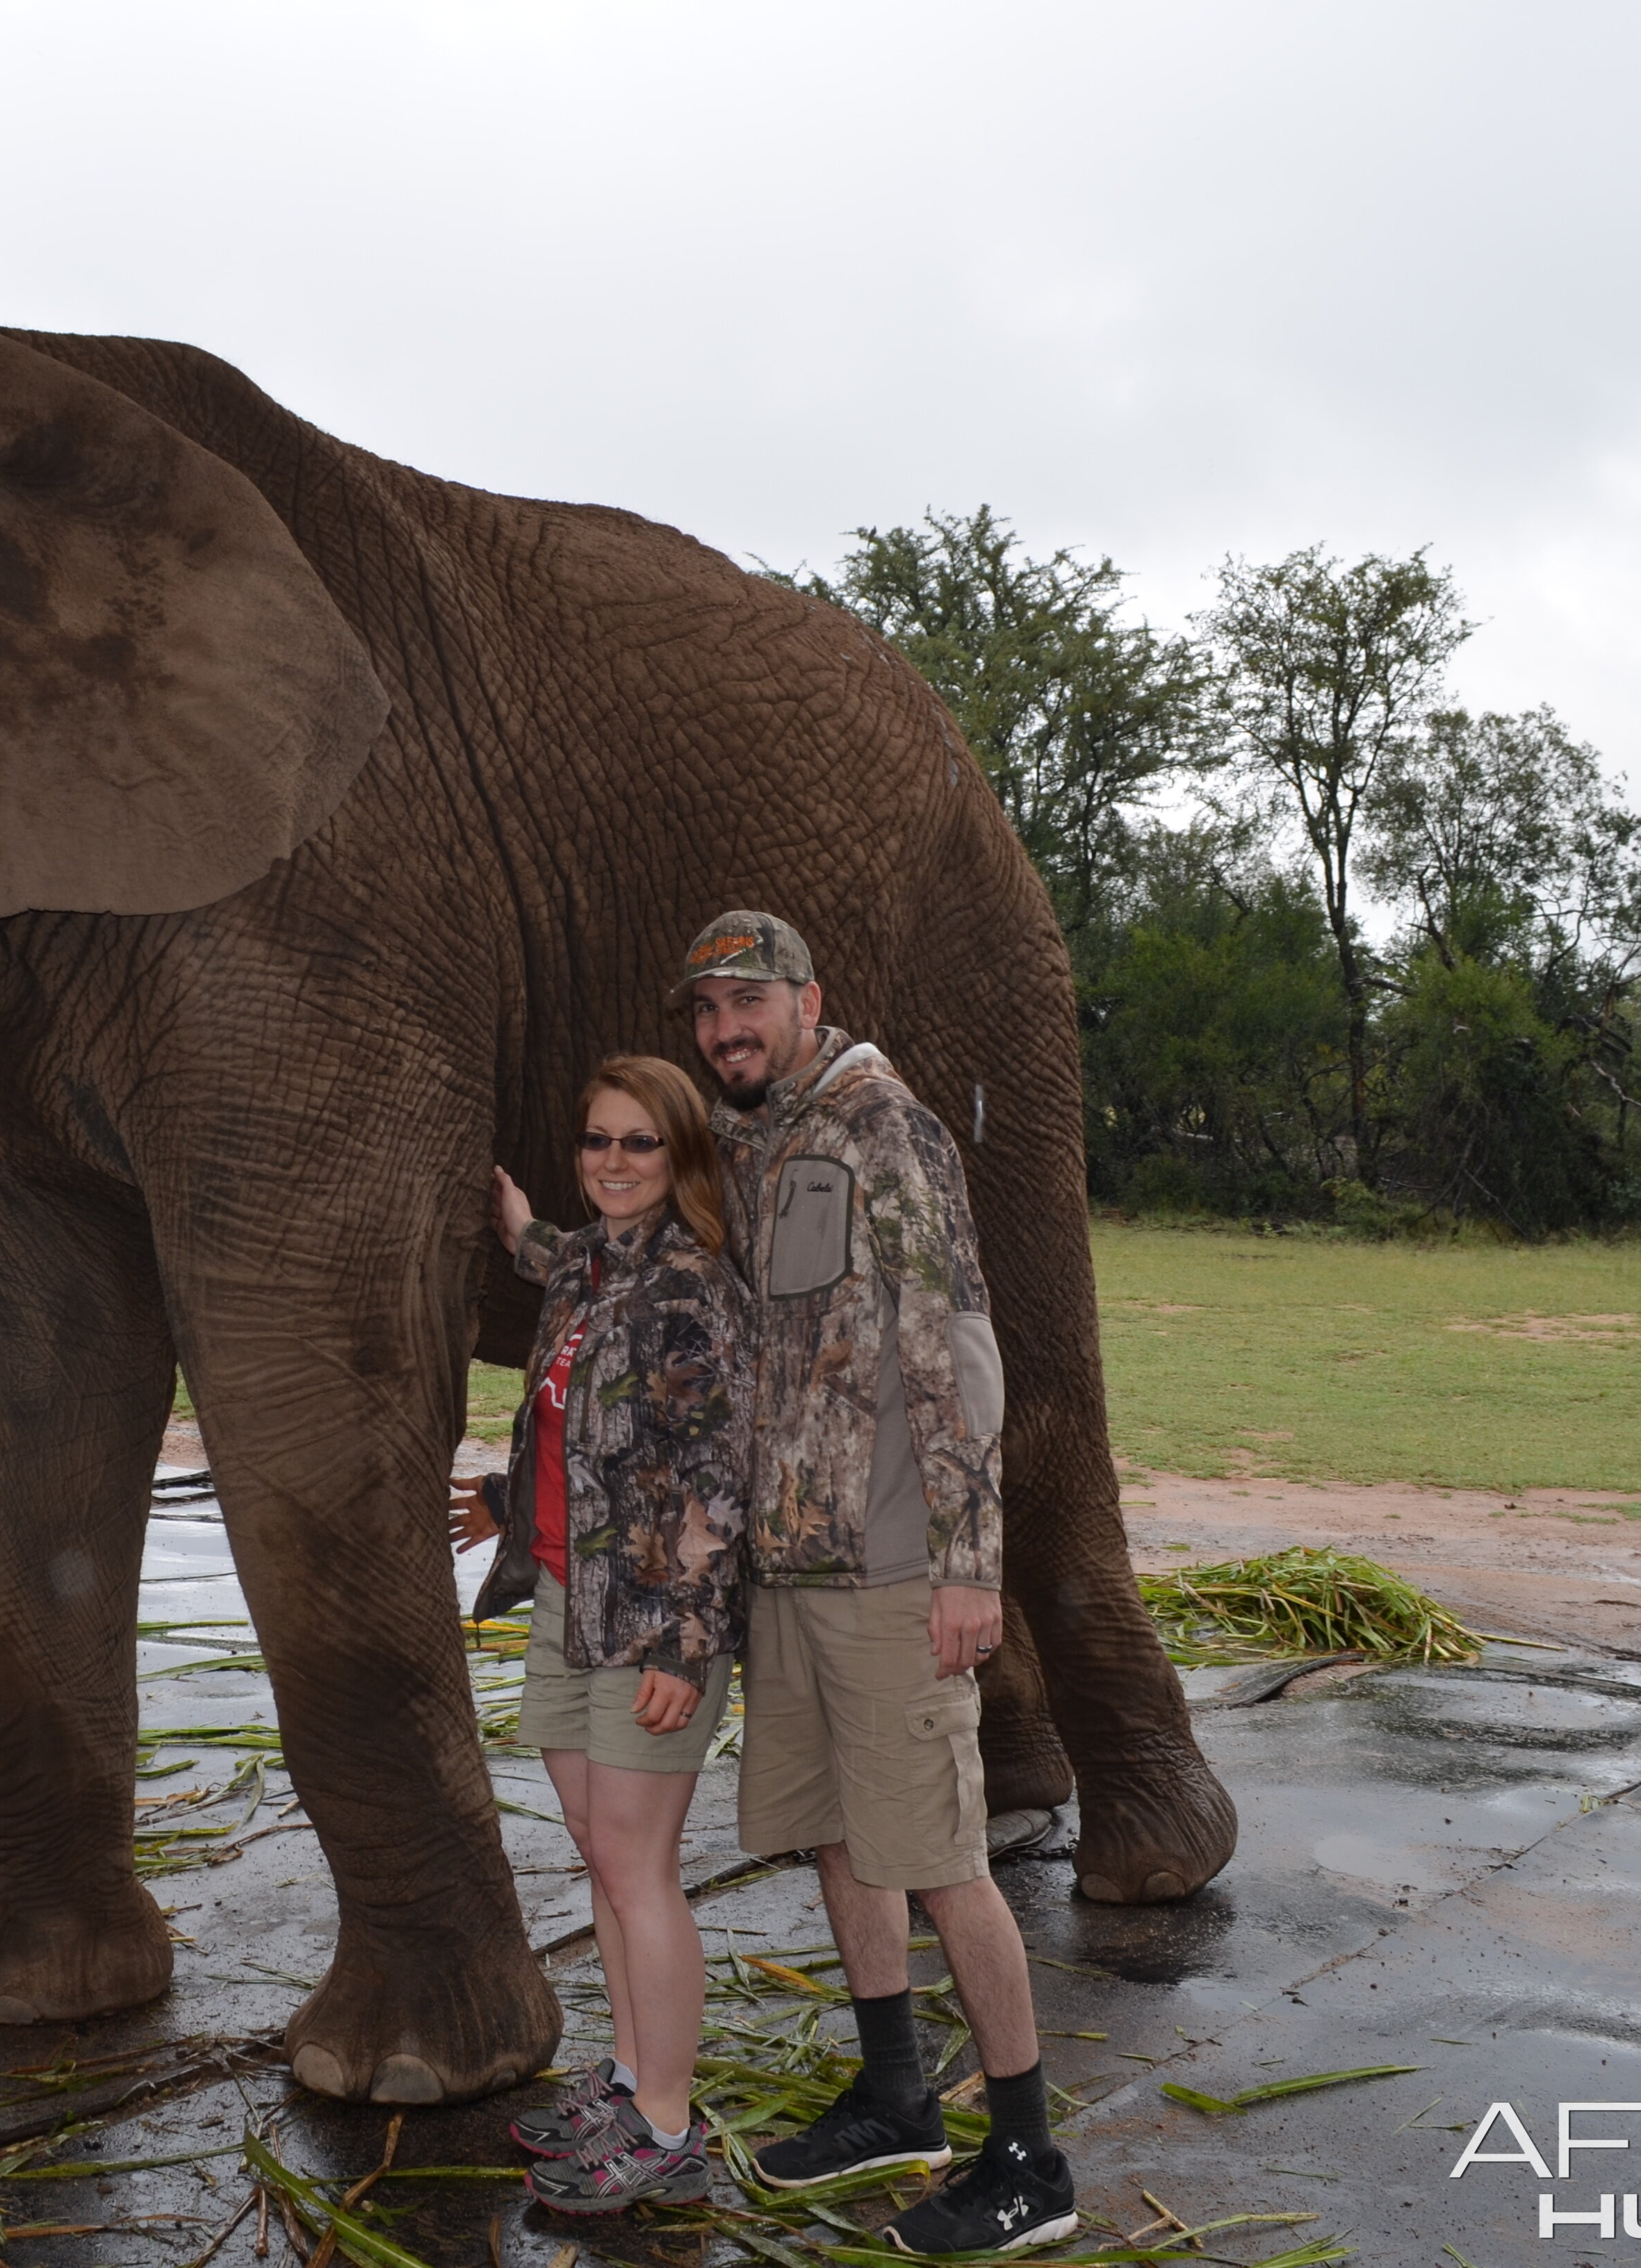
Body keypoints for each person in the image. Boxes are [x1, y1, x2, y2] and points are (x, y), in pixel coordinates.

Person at [675, 907, 1078, 2258]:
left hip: (898, 1570)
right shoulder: (763, 1137)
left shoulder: (881, 1130)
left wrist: (971, 1566)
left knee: (943, 1861)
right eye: (708, 1012)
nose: (728, 1028)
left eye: (751, 1003)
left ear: (808, 1000)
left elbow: (955, 1345)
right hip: (793, 1568)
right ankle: (895, 2095)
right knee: (841, 1837)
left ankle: (1025, 2155)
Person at [456, 1055, 753, 2214]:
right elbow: (543, 1259)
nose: (615, 1163)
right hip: (564, 1607)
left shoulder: (691, 1288)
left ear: (680, 1157)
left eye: (640, 1144)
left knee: (640, 1873)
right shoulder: (586, 1265)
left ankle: (670, 2131)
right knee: (599, 1852)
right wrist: (517, 1215)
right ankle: (631, 2080)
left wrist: (688, 1642)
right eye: (597, 1142)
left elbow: (717, 1477)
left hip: (648, 1626)